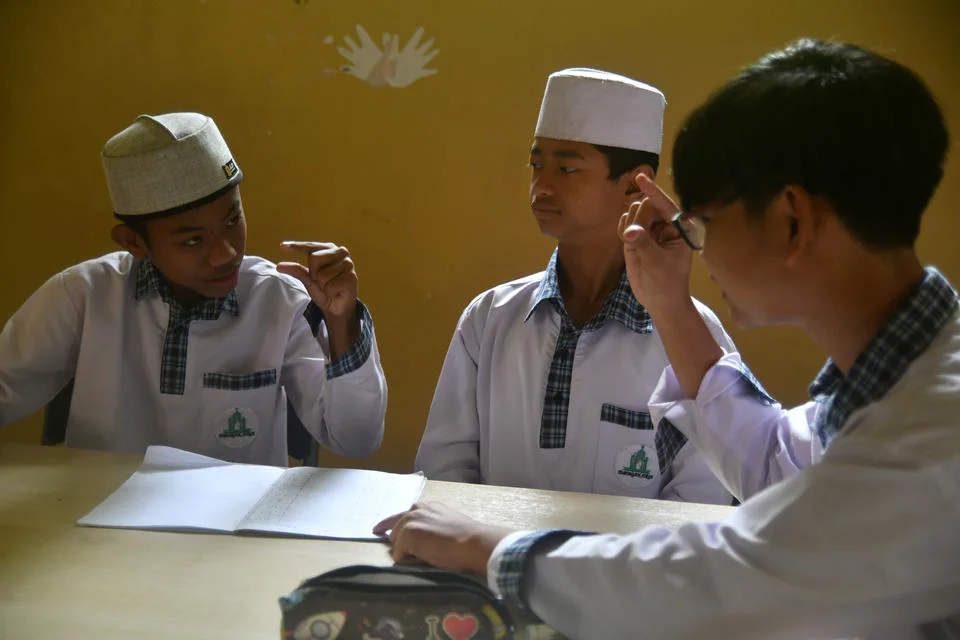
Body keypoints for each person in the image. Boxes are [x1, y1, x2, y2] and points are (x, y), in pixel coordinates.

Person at [375, 40, 960, 638]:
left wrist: (495, 548)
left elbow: (730, 585)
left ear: (791, 220)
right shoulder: (899, 385)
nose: (693, 243)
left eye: (703, 221)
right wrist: (669, 302)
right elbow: (775, 459)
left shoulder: (932, 434)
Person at [416, 68, 734, 504]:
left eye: (567, 168)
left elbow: (700, 502)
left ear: (633, 185)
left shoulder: (690, 334)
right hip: (485, 568)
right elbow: (444, 469)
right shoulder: (490, 317)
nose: (541, 187)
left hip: (627, 572)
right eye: (536, 164)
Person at [0, 112, 387, 466]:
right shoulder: (83, 296)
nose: (225, 253)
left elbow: (355, 439)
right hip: (99, 529)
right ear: (133, 243)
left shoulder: (279, 301)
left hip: (235, 532)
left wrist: (342, 323)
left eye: (233, 219)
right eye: (191, 241)